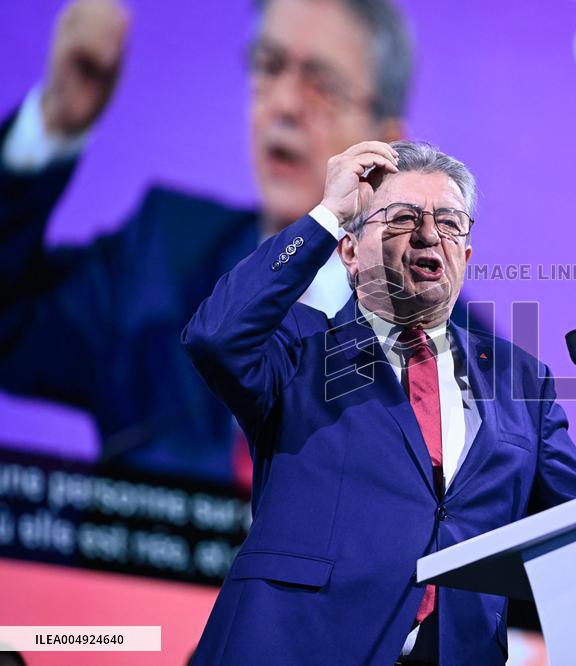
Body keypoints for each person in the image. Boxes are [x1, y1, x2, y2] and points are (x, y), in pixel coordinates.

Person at [181, 140, 576, 664]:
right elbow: (214, 336)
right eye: (403, 218)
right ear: (350, 252)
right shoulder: (299, 348)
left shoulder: (521, 381)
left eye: (450, 223)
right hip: (295, 644)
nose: (429, 235)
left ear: (465, 256)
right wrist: (328, 214)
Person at [0, 0, 412, 483]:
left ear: (388, 143)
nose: (284, 104)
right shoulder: (160, 255)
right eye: (269, 66)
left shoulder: (455, 352)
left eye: (323, 86)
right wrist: (54, 122)